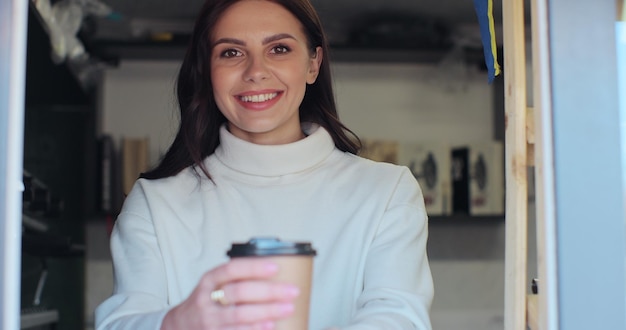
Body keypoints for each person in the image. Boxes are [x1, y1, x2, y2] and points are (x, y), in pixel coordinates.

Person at [95, 0, 434, 328]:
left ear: (313, 64)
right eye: (231, 52)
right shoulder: (155, 204)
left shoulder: (387, 192)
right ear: (208, 70)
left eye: (279, 49)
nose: (255, 72)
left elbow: (400, 317)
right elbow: (120, 322)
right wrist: (177, 323)